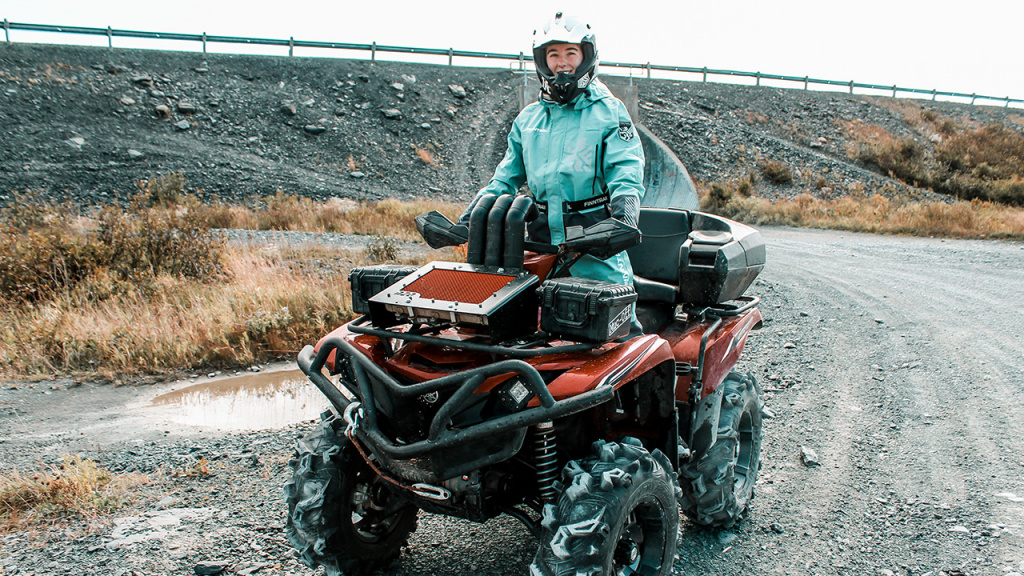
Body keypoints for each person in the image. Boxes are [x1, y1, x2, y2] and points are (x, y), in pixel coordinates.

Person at [460, 12, 646, 331]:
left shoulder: (609, 111)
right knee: (524, 329)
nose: (562, 63)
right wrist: (471, 215)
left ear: (586, 57)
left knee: (617, 330)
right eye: (553, 54)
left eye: (571, 53)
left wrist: (625, 215)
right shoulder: (528, 120)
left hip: (595, 242)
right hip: (541, 245)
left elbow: (626, 169)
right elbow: (505, 179)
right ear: (543, 61)